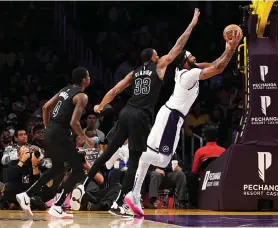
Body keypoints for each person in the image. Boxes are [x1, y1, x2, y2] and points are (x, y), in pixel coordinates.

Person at [71, 8, 201, 217]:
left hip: (126, 111)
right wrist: (192, 24)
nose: (160, 56)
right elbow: (179, 45)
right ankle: (120, 202)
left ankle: (83, 183)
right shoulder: (159, 67)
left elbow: (115, 90)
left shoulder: (134, 72)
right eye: (157, 54)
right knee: (135, 159)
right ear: (152, 57)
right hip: (140, 116)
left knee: (107, 152)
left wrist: (100, 106)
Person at [124, 29, 243, 216]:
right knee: (162, 159)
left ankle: (134, 193)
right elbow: (218, 69)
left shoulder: (186, 69)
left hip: (169, 114)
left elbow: (214, 64)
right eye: (190, 55)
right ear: (185, 62)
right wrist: (232, 48)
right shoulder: (188, 75)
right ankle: (136, 160)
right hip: (171, 116)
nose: (194, 56)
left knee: (156, 156)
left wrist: (228, 48)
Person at [16, 67, 94, 218]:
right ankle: (57, 206)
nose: (90, 78)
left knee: (57, 168)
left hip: (50, 131)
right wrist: (86, 140)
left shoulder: (65, 90)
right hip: (60, 134)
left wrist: (47, 127)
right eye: (89, 76)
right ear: (84, 80)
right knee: (78, 169)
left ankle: (26, 195)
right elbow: (74, 123)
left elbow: (45, 107)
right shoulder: (82, 96)